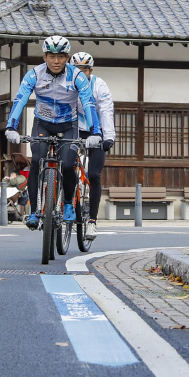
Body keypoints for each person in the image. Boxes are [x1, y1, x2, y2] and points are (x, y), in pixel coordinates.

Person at [5, 35, 101, 230]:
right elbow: (20, 100)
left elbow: (88, 103)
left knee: (67, 165)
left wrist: (95, 131)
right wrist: (11, 127)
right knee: (37, 161)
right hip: (42, 123)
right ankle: (33, 212)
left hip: (68, 125)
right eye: (51, 56)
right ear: (44, 56)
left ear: (67, 58)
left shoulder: (77, 76)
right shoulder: (33, 75)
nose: (56, 61)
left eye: (60, 57)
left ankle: (67, 204)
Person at [71, 51, 116, 241]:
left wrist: (109, 137)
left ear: (91, 70)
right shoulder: (66, 84)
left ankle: (92, 221)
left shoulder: (99, 85)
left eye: (85, 70)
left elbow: (106, 110)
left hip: (95, 130)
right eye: (77, 70)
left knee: (95, 175)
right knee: (66, 166)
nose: (81, 73)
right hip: (73, 129)